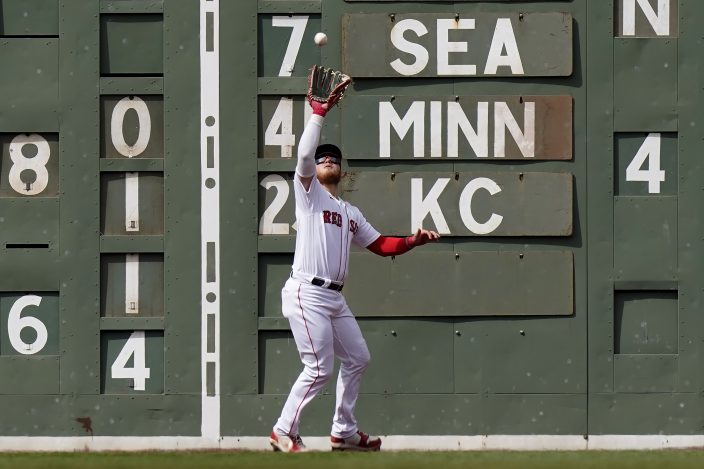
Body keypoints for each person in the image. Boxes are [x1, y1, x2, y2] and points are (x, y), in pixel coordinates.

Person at [269, 77, 440, 453]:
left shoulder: (349, 212)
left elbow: (380, 245)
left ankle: (343, 431)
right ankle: (284, 430)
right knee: (318, 369)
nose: (327, 159)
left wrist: (413, 240)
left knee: (359, 358)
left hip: (334, 299)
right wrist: (318, 114)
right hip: (307, 291)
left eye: (333, 158)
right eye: (322, 158)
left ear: (342, 170)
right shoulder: (309, 195)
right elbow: (302, 159)